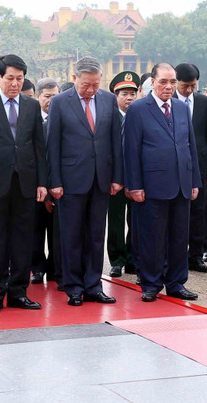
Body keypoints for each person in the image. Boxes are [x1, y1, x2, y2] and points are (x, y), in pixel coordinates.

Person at [0, 54, 48, 313]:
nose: (15, 83)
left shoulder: (32, 105)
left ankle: (18, 293)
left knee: (23, 241)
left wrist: (42, 183)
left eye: (20, 79)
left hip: (25, 182)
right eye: (10, 78)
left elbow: (38, 146)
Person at [47, 57, 123, 306]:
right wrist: (54, 181)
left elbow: (115, 141)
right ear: (74, 78)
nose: (91, 90)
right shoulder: (59, 102)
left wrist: (116, 177)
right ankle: (74, 287)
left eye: (95, 84)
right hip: (70, 180)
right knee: (71, 236)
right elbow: (53, 145)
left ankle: (93, 285)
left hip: (101, 179)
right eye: (86, 85)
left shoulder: (108, 99)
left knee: (96, 236)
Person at [123, 63, 201, 302]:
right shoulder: (138, 109)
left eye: (172, 82)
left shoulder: (180, 107)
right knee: (152, 238)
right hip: (151, 185)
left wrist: (194, 181)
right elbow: (131, 150)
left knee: (179, 237)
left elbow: (190, 146)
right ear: (152, 83)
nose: (168, 87)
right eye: (163, 82)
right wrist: (134, 185)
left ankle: (176, 282)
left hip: (181, 183)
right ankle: (151, 283)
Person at [174, 63, 207, 274]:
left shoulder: (202, 101)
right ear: (176, 82)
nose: (189, 90)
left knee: (200, 211)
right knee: (177, 213)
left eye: (193, 85)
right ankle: (175, 256)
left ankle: (196, 256)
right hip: (175, 166)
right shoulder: (168, 101)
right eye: (185, 86)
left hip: (199, 164)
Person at [106, 71, 139, 278]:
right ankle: (117, 260)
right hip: (115, 178)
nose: (129, 98)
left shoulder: (141, 116)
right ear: (115, 96)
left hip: (136, 178)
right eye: (124, 94)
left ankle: (133, 259)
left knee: (136, 220)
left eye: (132, 94)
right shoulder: (109, 118)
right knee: (116, 220)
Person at [31, 77, 60, 285]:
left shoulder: (62, 118)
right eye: (47, 96)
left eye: (55, 96)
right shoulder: (31, 119)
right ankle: (38, 268)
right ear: (38, 96)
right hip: (35, 186)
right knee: (36, 230)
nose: (51, 100)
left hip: (59, 185)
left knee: (58, 231)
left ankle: (55, 269)